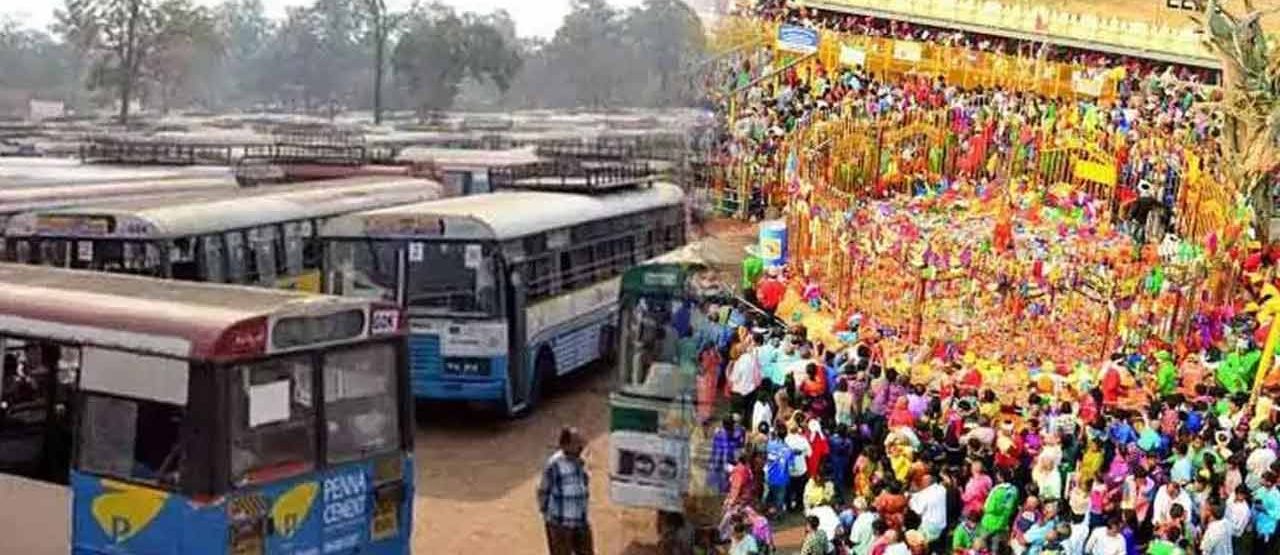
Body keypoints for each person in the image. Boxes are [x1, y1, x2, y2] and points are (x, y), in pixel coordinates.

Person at [537, 426, 594, 555]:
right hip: (560, 524)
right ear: (565, 445)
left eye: (580, 442)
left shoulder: (581, 462)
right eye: (576, 443)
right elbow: (542, 490)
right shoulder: (554, 464)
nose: (580, 446)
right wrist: (548, 516)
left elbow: (584, 485)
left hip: (580, 521)